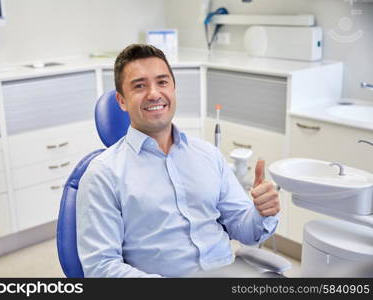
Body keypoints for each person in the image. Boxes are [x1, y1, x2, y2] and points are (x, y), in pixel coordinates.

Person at [76, 44, 280, 278]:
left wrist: (262, 213)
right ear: (122, 101)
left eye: (162, 82)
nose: (154, 93)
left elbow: (243, 228)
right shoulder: (103, 174)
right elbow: (101, 268)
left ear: (173, 89)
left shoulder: (208, 155)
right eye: (140, 86)